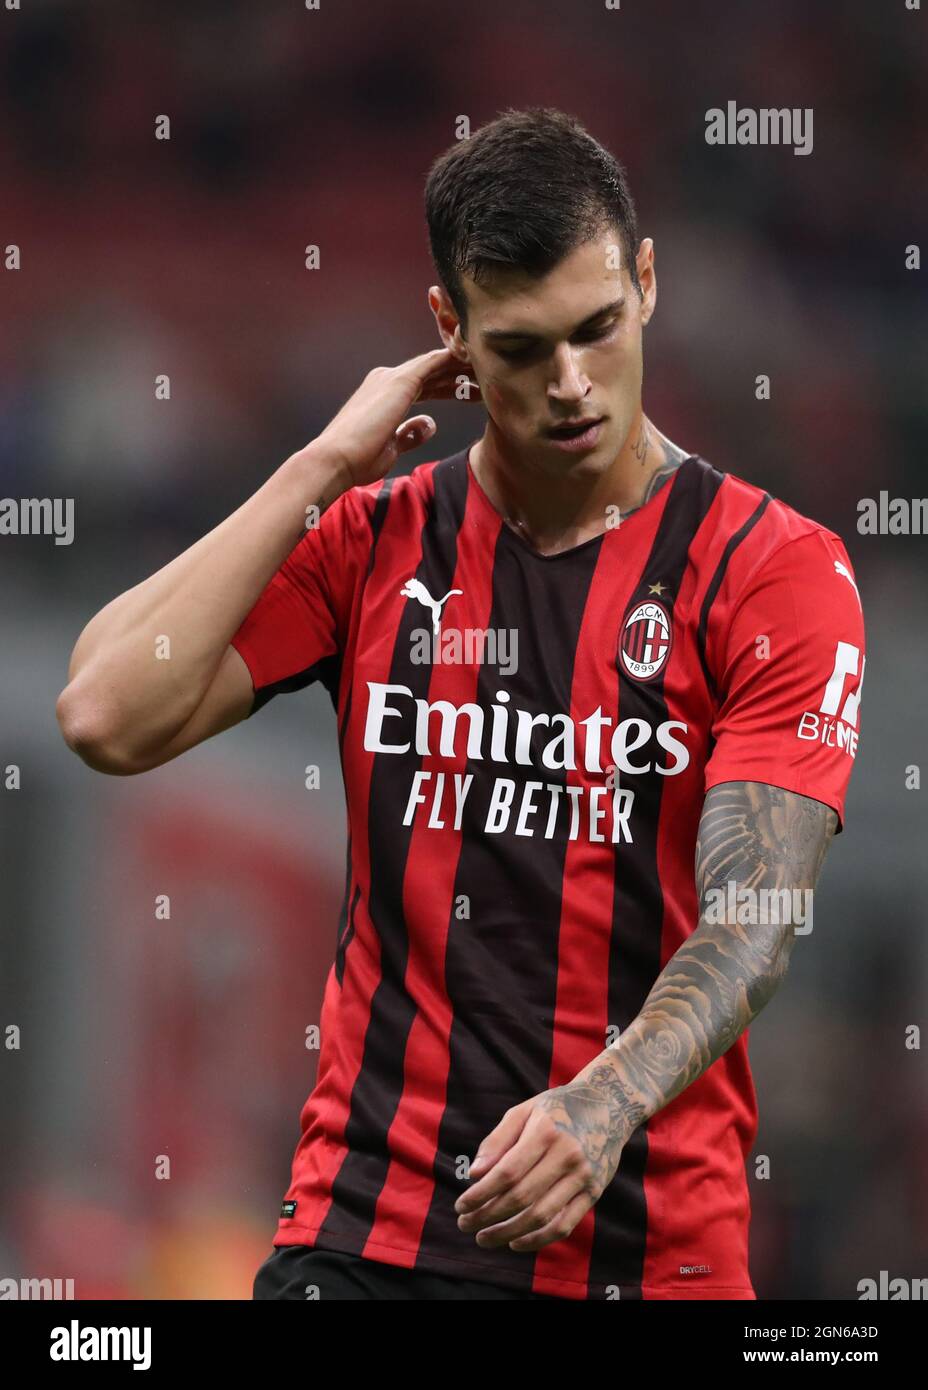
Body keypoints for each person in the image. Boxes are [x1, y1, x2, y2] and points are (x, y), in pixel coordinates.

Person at [57, 107, 865, 1300]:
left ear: (646, 282)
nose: (573, 385)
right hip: (366, 1234)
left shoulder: (774, 568)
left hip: (651, 1254)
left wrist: (598, 1106)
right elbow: (103, 715)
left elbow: (754, 915)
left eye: (599, 327)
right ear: (451, 333)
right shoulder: (372, 541)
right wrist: (321, 466)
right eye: (525, 349)